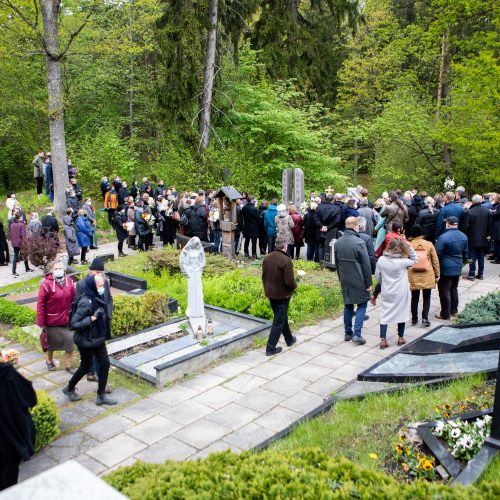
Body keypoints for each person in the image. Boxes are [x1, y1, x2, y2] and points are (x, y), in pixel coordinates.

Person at [63, 274, 117, 405]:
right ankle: (69, 388)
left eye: (103, 285)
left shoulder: (97, 297)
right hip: (86, 340)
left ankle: (101, 396)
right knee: (85, 367)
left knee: (105, 364)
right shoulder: (85, 302)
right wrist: (92, 318)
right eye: (99, 286)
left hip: (97, 338)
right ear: (93, 286)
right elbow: (73, 324)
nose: (102, 288)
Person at [0, 355, 37, 491]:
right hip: (11, 432)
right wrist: (24, 380)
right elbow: (30, 399)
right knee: (9, 468)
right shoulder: (7, 372)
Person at [334, 217, 372, 345]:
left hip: (345, 278)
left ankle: (347, 332)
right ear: (356, 226)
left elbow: (337, 264)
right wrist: (369, 283)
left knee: (348, 305)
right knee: (362, 305)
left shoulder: (338, 242)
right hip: (359, 278)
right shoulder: (359, 242)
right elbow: (366, 265)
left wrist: (341, 278)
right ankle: (357, 334)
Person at [75, 258, 113, 385]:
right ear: (90, 271)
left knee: (99, 352)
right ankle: (91, 373)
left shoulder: (105, 282)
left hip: (102, 321)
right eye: (97, 272)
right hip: (90, 323)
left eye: (101, 272)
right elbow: (81, 304)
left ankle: (99, 380)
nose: (99, 275)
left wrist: (108, 313)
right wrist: (92, 318)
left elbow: (109, 299)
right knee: (89, 351)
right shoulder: (82, 284)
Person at [375, 238, 417, 349]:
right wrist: (409, 246)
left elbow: (377, 276)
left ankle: (383, 339)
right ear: (400, 249)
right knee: (402, 313)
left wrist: (384, 283)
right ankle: (400, 338)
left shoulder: (381, 260)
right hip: (401, 292)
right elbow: (415, 258)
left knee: (385, 314)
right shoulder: (403, 262)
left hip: (387, 291)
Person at [36, 259, 76, 372]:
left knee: (70, 341)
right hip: (52, 320)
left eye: (60, 268)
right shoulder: (45, 284)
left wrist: (76, 315)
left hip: (67, 319)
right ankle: (49, 360)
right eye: (56, 269)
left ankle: (68, 366)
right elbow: (40, 304)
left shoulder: (69, 282)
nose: (58, 270)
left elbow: (74, 299)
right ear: (52, 271)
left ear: (64, 270)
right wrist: (41, 322)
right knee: (52, 343)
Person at [261, 236, 297, 356]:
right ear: (285, 246)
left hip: (271, 293)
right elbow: (289, 281)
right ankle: (270, 348)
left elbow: (264, 276)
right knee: (278, 321)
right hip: (282, 294)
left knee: (281, 317)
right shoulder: (286, 260)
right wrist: (295, 285)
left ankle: (289, 339)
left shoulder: (267, 258)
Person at [435, 216, 468, 320]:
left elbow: (437, 253)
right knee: (454, 289)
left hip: (446, 267)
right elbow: (466, 254)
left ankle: (445, 314)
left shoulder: (443, 237)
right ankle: (454, 310)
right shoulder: (463, 236)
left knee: (444, 291)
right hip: (457, 266)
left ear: (448, 223)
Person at [408, 225, 440, 327]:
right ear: (422, 233)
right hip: (427, 274)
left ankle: (414, 319)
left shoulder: (409, 245)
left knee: (414, 297)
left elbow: (405, 260)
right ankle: (425, 318)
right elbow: (435, 261)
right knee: (427, 297)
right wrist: (437, 274)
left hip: (414, 274)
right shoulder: (429, 244)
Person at [464, 194, 490, 280]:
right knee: (481, 256)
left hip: (472, 238)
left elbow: (466, 226)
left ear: (473, 201)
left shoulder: (470, 211)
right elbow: (490, 225)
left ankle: (471, 273)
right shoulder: (486, 211)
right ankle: (480, 274)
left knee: (471, 257)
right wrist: (488, 234)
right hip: (483, 238)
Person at [314, 194, 341, 260]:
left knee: (321, 246)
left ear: (325, 199)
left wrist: (322, 226)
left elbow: (315, 218)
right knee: (331, 245)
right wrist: (327, 227)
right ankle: (330, 261)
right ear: (333, 199)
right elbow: (337, 220)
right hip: (332, 230)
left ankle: (321, 261)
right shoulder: (337, 208)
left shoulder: (319, 207)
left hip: (322, 229)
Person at [488, 193, 500, 264]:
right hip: (496, 227)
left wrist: (490, 212)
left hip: (498, 228)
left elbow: (497, 214)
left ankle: (498, 259)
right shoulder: (497, 206)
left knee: (498, 244)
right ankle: (496, 256)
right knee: (496, 243)